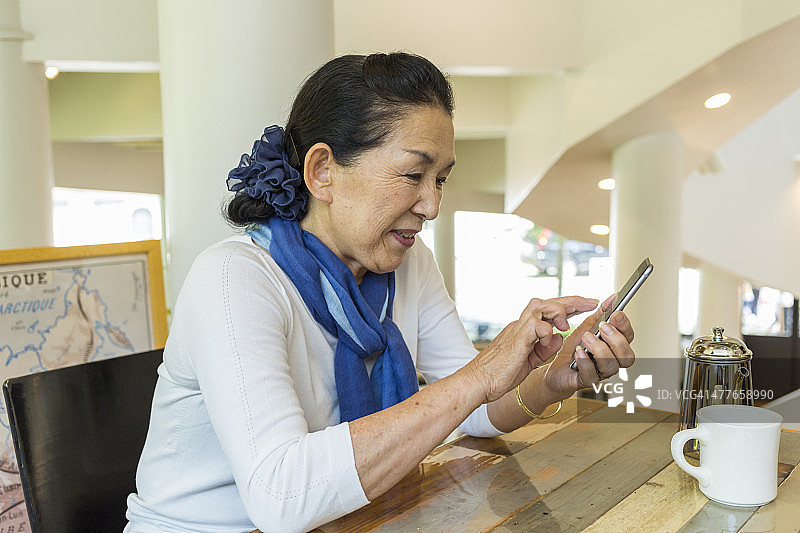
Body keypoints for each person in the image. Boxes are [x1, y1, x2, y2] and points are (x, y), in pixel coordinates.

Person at [125, 52, 635, 533]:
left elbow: (476, 414)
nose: (432, 205)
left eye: (440, 180)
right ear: (323, 171)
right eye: (413, 174)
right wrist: (481, 372)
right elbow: (280, 496)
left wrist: (555, 375)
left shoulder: (410, 267)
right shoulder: (235, 278)